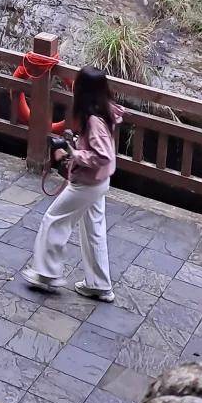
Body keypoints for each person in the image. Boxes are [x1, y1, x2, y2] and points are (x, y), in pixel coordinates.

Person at [23, 65, 120, 302]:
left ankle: (46, 274)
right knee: (94, 230)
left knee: (54, 219)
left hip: (87, 183)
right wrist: (76, 144)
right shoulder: (105, 111)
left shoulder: (94, 120)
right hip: (100, 181)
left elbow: (103, 155)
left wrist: (73, 153)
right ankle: (99, 284)